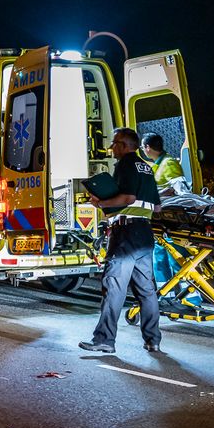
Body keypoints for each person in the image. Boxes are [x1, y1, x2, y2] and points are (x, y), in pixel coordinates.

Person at [81, 128, 163, 354]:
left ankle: (104, 340)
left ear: (126, 145)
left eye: (115, 143)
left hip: (126, 234)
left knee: (114, 286)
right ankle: (153, 340)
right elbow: (157, 207)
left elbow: (128, 197)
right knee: (146, 291)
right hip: (144, 234)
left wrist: (101, 203)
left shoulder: (126, 164)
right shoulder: (146, 166)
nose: (112, 148)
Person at [139, 133, 196, 307]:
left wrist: (158, 194)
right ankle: (166, 295)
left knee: (177, 259)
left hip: (172, 221)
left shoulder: (169, 164)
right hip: (160, 221)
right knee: (159, 259)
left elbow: (181, 193)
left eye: (143, 147)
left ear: (148, 148)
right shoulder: (157, 165)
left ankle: (192, 298)